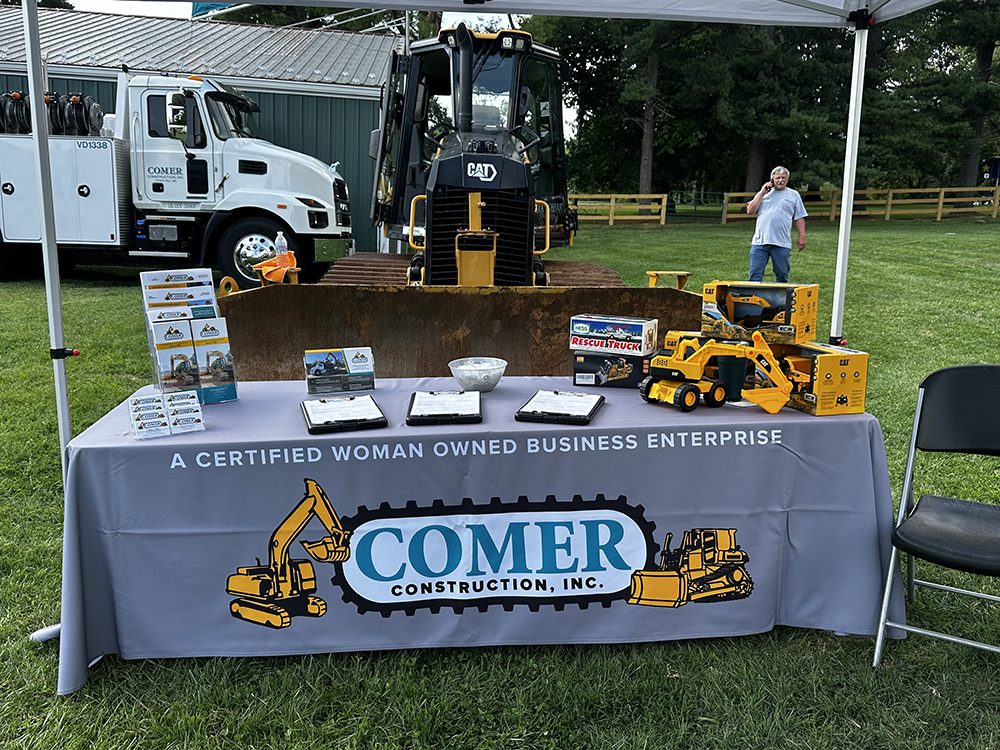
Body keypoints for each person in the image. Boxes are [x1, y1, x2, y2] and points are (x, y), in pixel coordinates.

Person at [745, 166, 807, 283]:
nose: (780, 180)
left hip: (781, 243)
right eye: (778, 178)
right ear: (772, 179)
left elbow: (799, 217)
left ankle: (781, 299)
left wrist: (802, 237)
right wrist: (762, 192)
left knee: (782, 273)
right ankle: (752, 298)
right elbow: (750, 211)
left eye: (783, 178)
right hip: (760, 242)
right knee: (754, 274)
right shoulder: (763, 194)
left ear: (787, 180)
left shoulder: (793, 195)